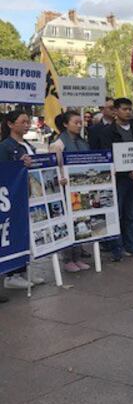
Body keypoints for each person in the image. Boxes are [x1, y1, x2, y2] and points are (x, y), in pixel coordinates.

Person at [0, 110, 43, 294]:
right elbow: (5, 172)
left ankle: (26, 269)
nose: (27, 125)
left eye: (28, 122)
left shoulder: (26, 143)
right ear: (10, 124)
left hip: (30, 193)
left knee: (27, 232)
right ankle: (13, 275)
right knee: (15, 233)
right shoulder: (5, 146)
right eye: (23, 122)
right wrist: (19, 163)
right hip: (14, 197)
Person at [98, 98, 133, 261]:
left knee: (131, 213)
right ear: (116, 111)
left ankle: (131, 244)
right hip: (118, 178)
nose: (128, 112)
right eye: (124, 109)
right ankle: (116, 247)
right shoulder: (107, 132)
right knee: (115, 213)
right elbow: (109, 155)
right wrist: (126, 171)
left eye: (130, 109)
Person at [50, 111, 91, 273]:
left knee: (80, 221)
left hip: (80, 188)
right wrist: (61, 178)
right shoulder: (58, 144)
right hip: (66, 190)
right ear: (66, 124)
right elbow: (52, 167)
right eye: (76, 122)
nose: (80, 125)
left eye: (81, 123)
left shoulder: (83, 142)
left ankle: (77, 256)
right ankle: (67, 258)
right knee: (68, 223)